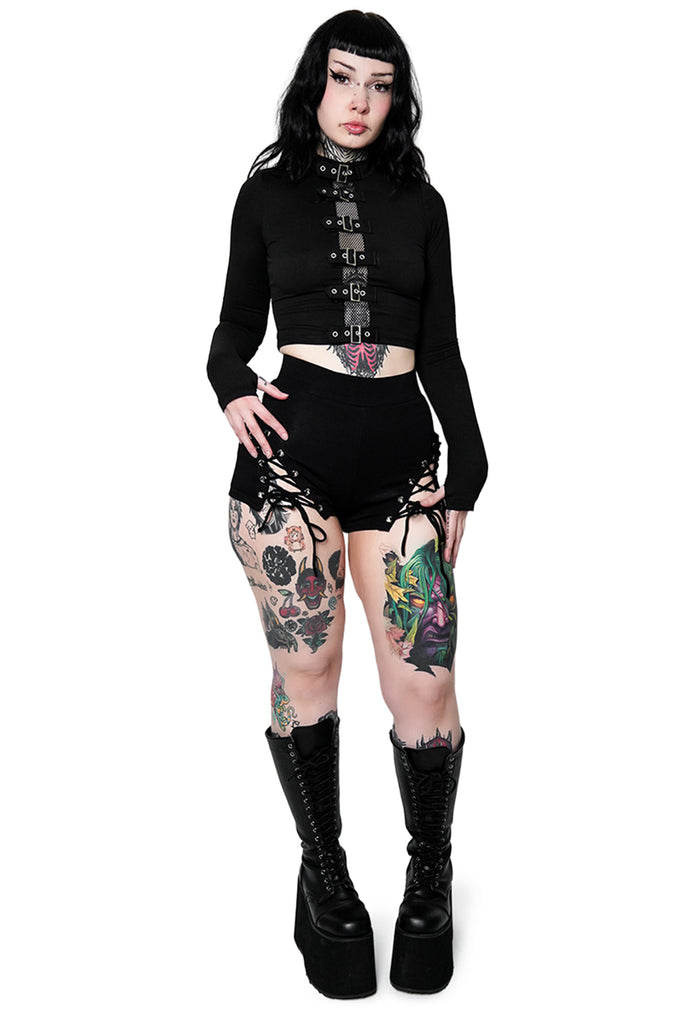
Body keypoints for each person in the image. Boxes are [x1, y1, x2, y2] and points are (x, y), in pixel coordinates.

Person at [206, 10, 488, 999]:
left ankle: (428, 875)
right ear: (313, 85)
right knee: (308, 667)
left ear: (396, 97)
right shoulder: (265, 194)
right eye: (342, 78)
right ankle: (322, 871)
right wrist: (229, 388)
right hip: (288, 463)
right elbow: (230, 333)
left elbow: (440, 348)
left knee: (424, 680)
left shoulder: (423, 203)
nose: (359, 100)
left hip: (402, 460)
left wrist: (470, 465)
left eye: (378, 83)